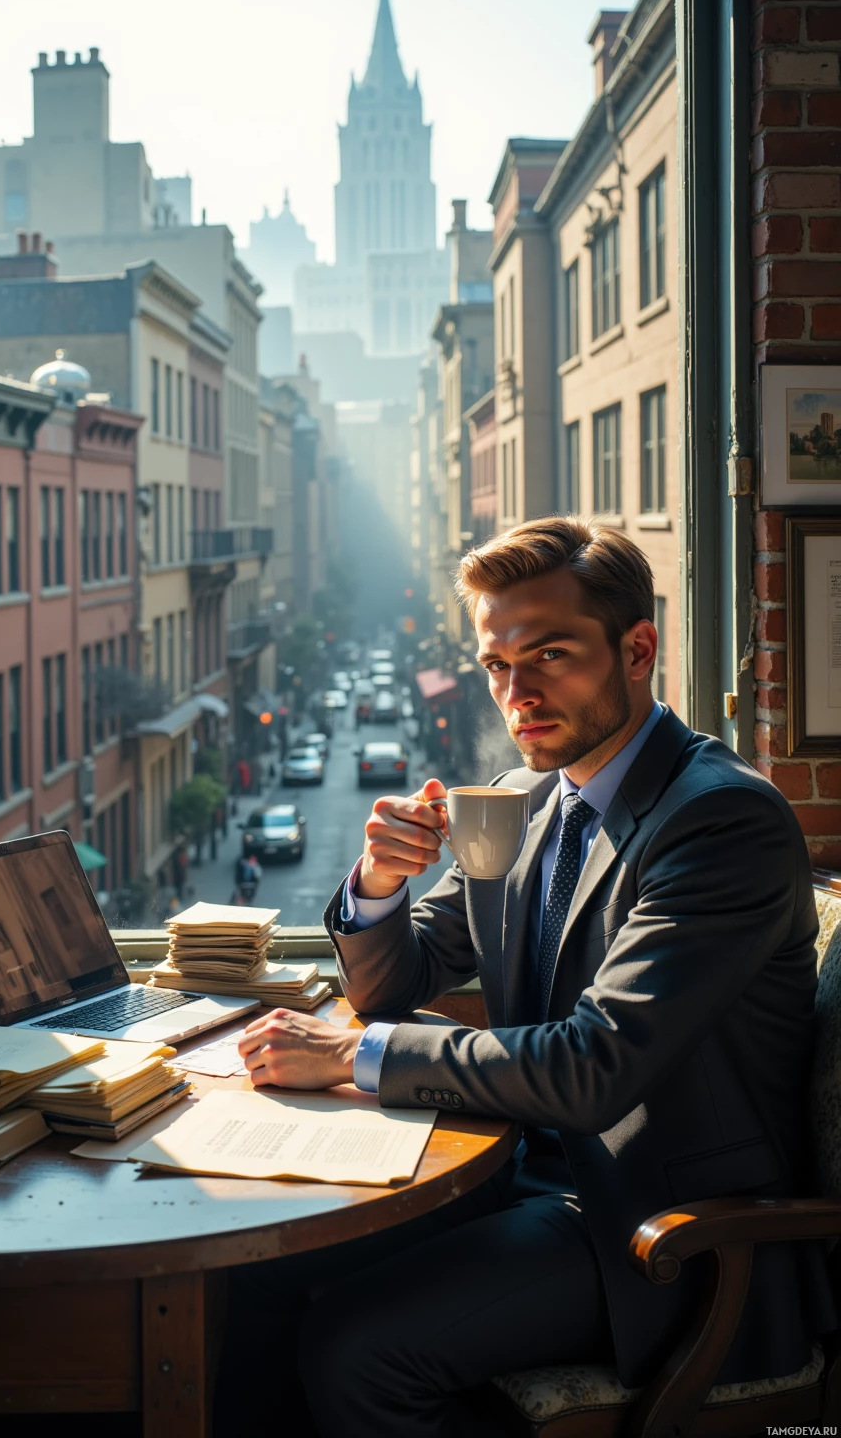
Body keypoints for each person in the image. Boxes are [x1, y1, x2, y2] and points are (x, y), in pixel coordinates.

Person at [218, 516, 836, 1438]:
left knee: (357, 1345)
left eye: (549, 654)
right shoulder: (529, 800)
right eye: (498, 665)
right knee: (245, 1278)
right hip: (525, 1178)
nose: (519, 693)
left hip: (665, 1235)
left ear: (638, 648)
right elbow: (401, 981)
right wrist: (381, 885)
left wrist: (353, 1058)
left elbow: (593, 1066)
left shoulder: (720, 823)